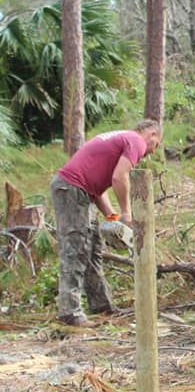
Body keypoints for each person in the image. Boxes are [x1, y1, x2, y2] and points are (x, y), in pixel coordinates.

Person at [50, 119, 163, 326]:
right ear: (152, 135)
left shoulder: (118, 137)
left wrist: (113, 218)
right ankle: (70, 313)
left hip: (80, 191)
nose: (153, 152)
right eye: (156, 145)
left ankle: (101, 305)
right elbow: (119, 177)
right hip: (72, 190)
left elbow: (98, 188)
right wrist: (127, 213)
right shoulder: (136, 140)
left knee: (93, 248)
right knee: (75, 250)